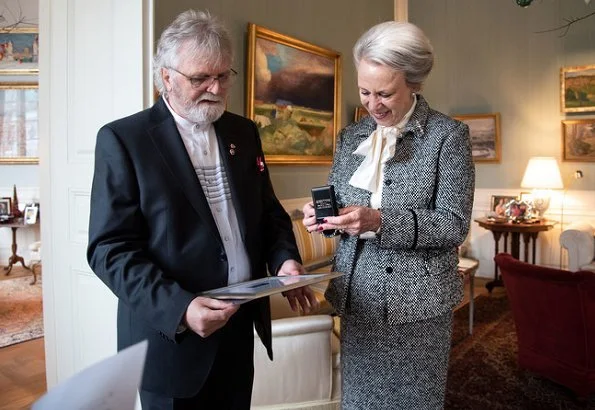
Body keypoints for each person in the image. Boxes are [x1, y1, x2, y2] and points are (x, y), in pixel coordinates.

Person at [87, 10, 317, 410]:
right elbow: (110, 249)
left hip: (238, 330)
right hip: (170, 340)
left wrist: (284, 261)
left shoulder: (243, 132)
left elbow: (270, 213)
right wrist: (181, 308)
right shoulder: (124, 140)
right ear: (166, 77)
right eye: (200, 78)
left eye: (223, 75)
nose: (215, 88)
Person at [302, 21, 475, 409]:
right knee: (361, 402)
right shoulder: (351, 138)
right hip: (357, 300)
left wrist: (378, 221)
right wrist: (325, 219)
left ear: (414, 83)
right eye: (364, 91)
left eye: (385, 93)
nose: (372, 104)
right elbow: (343, 210)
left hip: (417, 307)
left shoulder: (448, 137)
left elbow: (452, 224)